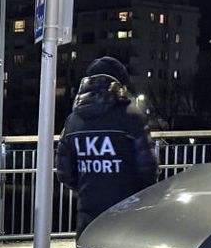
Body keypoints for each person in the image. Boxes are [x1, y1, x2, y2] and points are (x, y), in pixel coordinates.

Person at [56, 56, 158, 237]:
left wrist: (88, 188)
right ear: (120, 85)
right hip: (127, 210)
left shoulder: (73, 121)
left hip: (87, 210)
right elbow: (148, 169)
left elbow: (65, 172)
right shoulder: (132, 117)